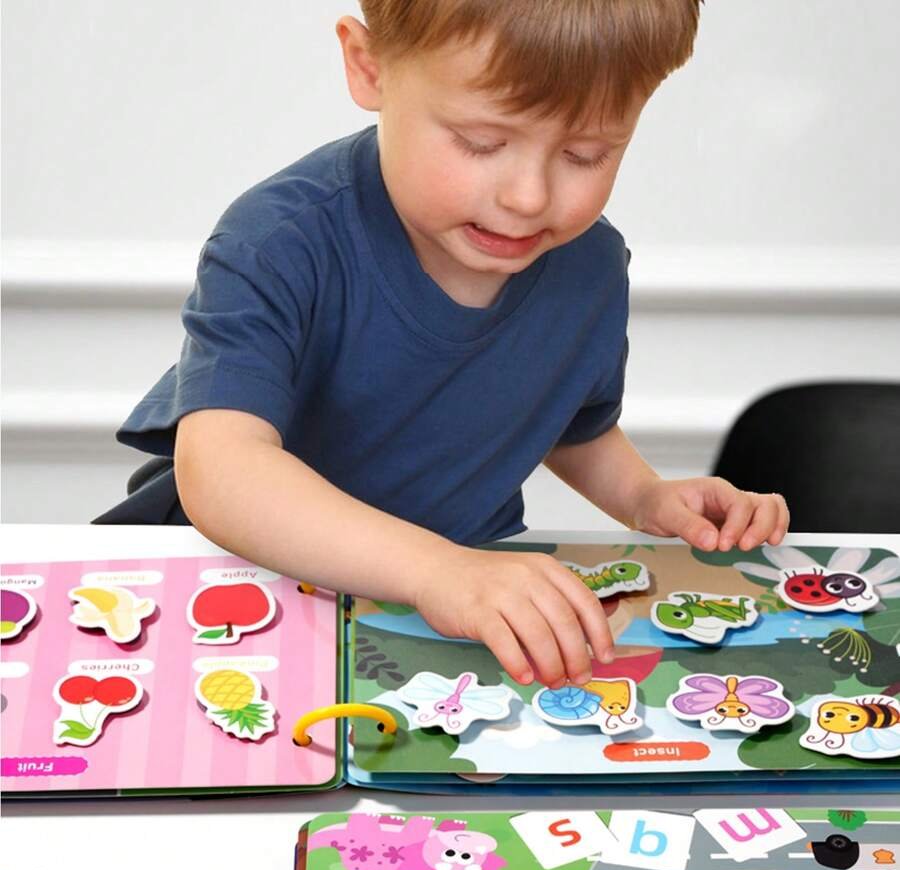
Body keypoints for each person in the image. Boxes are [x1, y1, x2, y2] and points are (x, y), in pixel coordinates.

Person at [99, 0, 788, 689]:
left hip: (440, 618)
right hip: (229, 601)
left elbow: (567, 422)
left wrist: (644, 496)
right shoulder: (278, 240)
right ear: (369, 67)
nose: (528, 196)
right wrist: (439, 571)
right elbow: (223, 472)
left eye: (586, 154)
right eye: (482, 142)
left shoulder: (590, 264)